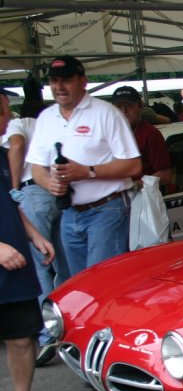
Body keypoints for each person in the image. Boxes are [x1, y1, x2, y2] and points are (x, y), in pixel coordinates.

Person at [26, 56, 141, 278]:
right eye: (54, 80)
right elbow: (36, 168)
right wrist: (50, 183)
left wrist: (87, 171)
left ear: (83, 81)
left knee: (102, 281)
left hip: (106, 208)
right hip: (68, 211)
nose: (59, 86)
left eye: (66, 80)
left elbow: (134, 165)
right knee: (78, 284)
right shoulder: (46, 118)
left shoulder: (106, 113)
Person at [1, 88, 56, 391]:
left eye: (6, 111)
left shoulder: (1, 155)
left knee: (22, 338)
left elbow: (10, 204)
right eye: (1, 112)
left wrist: (35, 235)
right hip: (4, 254)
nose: (7, 119)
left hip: (16, 260)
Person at [3, 97, 68, 367]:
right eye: (3, 112)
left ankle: (49, 331)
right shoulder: (43, 125)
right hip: (51, 193)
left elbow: (16, 144)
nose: (8, 117)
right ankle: (61, 328)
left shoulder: (16, 130)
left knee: (42, 266)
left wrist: (14, 189)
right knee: (59, 265)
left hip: (34, 193)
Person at [110, 86, 172, 189]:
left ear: (140, 106)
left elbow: (165, 175)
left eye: (128, 106)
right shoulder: (110, 134)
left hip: (142, 198)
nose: (124, 110)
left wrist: (134, 186)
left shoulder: (151, 134)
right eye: (119, 106)